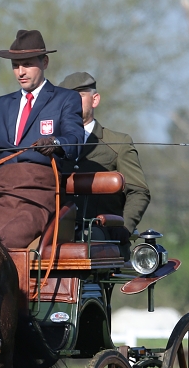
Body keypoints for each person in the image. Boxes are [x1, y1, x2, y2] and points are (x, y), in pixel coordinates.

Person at [0, 29, 85, 248]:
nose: (21, 71)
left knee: (4, 242)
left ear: (45, 62)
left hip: (38, 197)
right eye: (15, 65)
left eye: (27, 64)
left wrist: (54, 143)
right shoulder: (0, 105)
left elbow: (75, 139)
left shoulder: (65, 99)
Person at [57, 71, 150, 249]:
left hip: (106, 245)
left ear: (95, 99)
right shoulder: (52, 144)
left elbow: (138, 192)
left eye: (79, 96)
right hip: (58, 246)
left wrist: (124, 227)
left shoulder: (118, 144)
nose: (71, 102)